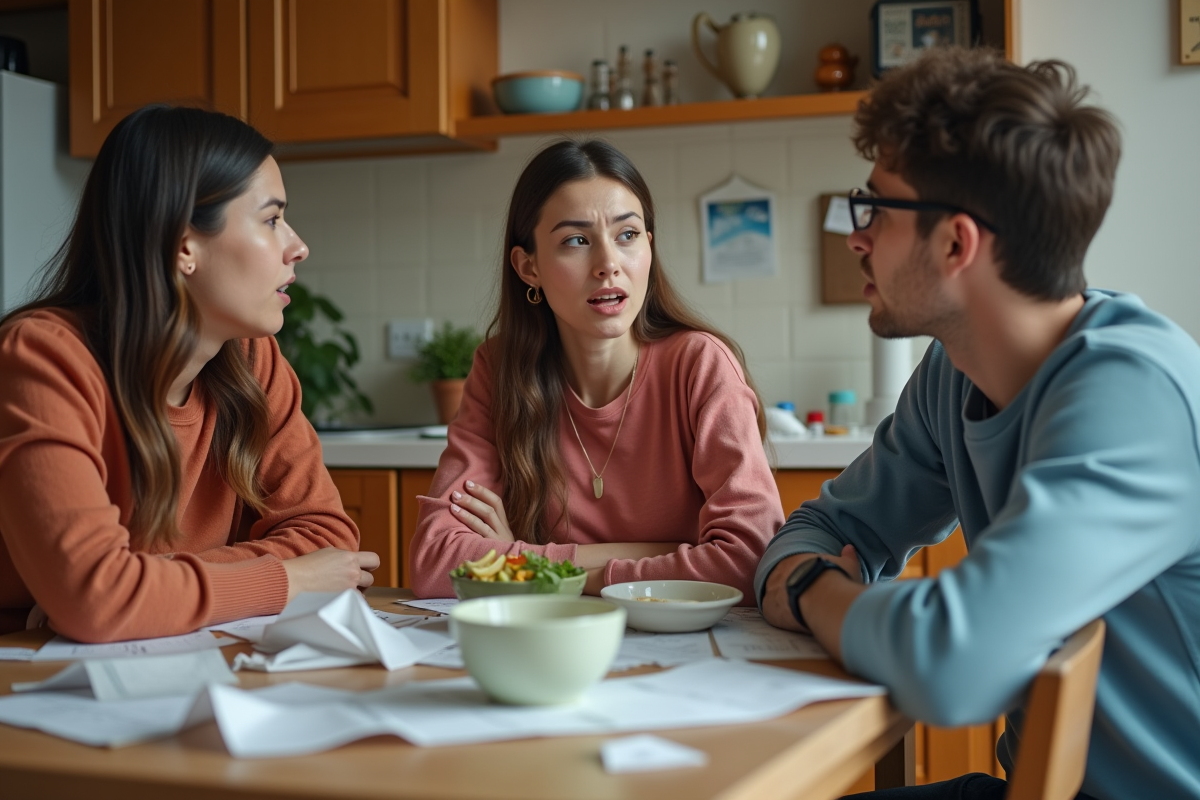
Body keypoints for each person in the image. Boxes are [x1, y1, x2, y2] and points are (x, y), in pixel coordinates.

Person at [756, 48, 1200, 800]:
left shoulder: (1134, 394)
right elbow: (819, 530)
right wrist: (808, 569)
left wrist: (807, 592)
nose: (855, 237)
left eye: (876, 208)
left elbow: (950, 666)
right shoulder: (952, 375)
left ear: (957, 242)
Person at [0, 105, 379, 643]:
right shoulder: (44, 359)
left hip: (174, 659)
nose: (298, 246)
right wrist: (284, 580)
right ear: (183, 246)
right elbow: (97, 599)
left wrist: (139, 587)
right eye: (271, 219)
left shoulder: (251, 360)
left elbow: (328, 540)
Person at [410, 139, 784, 599]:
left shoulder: (699, 365)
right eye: (576, 241)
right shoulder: (499, 370)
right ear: (529, 267)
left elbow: (751, 557)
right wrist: (667, 552)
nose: (608, 264)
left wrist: (526, 562)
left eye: (627, 235)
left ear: (649, 247)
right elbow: (434, 563)